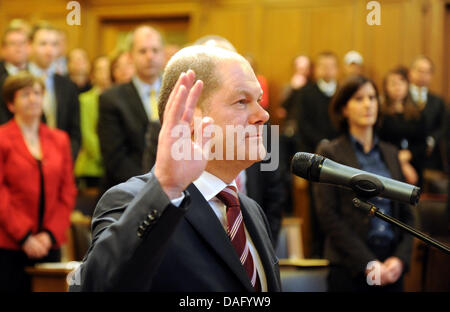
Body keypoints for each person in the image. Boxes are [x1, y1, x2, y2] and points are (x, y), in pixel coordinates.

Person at [70, 45, 281, 292]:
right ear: (188, 116)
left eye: (258, 100)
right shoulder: (136, 200)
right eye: (242, 101)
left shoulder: (251, 210)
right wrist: (166, 189)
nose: (263, 115)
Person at [313, 75, 415, 292]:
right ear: (344, 109)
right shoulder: (330, 153)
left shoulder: (391, 153)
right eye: (359, 98)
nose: (368, 104)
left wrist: (400, 259)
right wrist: (368, 263)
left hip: (390, 264)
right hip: (350, 266)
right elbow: (328, 215)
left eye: (372, 97)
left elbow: (408, 214)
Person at [0, 72, 77, 291]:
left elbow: (67, 191)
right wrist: (25, 236)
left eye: (37, 93)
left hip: (48, 243)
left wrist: (50, 234)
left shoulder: (59, 139)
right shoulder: (2, 138)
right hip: (10, 244)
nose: (33, 99)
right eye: (25, 94)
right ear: (11, 103)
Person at [98, 25, 165, 191]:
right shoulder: (112, 98)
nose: (150, 56)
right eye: (143, 51)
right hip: (128, 191)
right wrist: (152, 187)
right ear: (130, 56)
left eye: (155, 50)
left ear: (163, 54)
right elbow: (115, 158)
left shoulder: (178, 92)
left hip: (176, 191)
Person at [28, 22, 81, 161]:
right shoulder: (17, 81)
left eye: (54, 44)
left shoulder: (68, 85)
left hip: (60, 161)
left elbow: (75, 132)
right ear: (30, 46)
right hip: (24, 161)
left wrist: (67, 159)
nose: (49, 50)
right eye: (43, 44)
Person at [378, 66, 426, 187]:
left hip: (413, 163)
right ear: (386, 87)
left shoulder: (417, 113)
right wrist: (400, 161)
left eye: (401, 83)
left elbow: (422, 143)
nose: (397, 87)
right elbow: (378, 142)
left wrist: (409, 155)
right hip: (386, 164)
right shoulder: (380, 114)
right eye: (393, 83)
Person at [74, 56, 112, 190]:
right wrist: (106, 156)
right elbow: (87, 133)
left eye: (108, 69)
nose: (105, 74)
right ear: (93, 74)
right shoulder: (85, 99)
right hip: (93, 166)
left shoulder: (118, 98)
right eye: (100, 70)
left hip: (114, 165)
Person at [408, 55, 446, 172]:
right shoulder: (402, 99)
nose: (423, 75)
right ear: (411, 72)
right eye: (419, 71)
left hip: (430, 158)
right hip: (407, 155)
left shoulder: (438, 101)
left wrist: (431, 140)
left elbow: (443, 126)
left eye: (427, 72)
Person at [0, 23, 30, 124]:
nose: (18, 48)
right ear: (3, 49)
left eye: (22, 43)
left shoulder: (35, 74)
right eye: (13, 43)